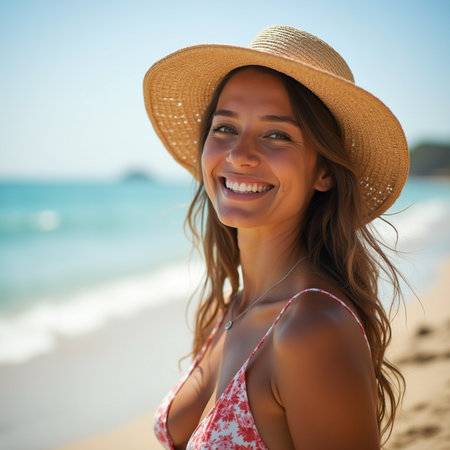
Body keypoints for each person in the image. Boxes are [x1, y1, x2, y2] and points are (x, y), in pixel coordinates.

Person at [144, 25, 408, 449]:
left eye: (276, 135)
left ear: (324, 172)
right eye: (225, 128)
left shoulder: (311, 331)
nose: (239, 154)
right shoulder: (233, 304)